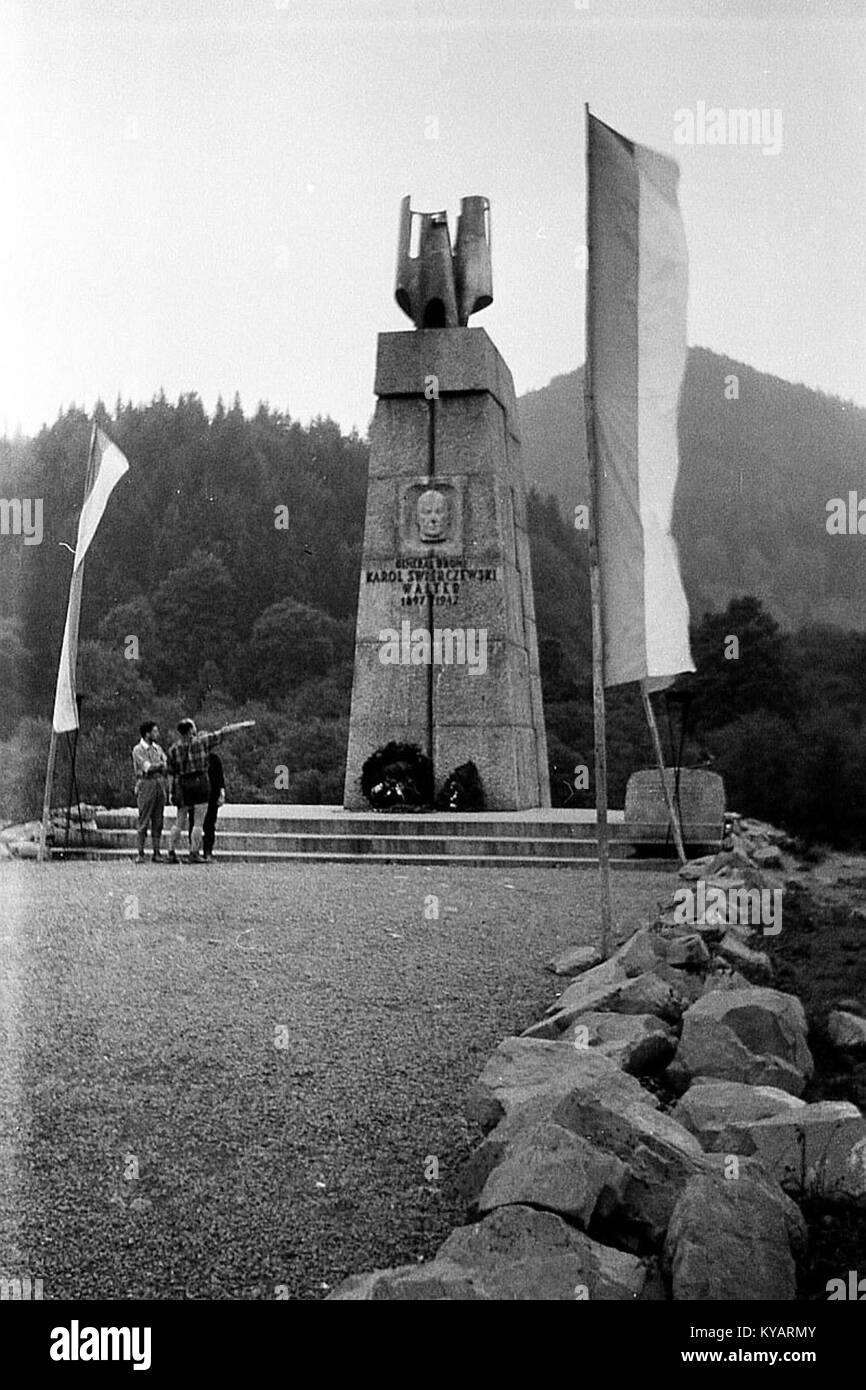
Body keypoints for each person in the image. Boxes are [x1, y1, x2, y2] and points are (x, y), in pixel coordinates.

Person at [166, 718, 253, 864]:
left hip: (182, 783)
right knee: (198, 822)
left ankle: (171, 852)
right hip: (200, 782)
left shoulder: (173, 749)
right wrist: (241, 725)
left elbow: (170, 773)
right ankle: (194, 852)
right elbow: (224, 732)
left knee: (179, 821)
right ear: (191, 730)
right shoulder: (202, 742)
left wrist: (171, 791)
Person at [132, 721, 168, 862]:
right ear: (147, 734)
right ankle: (140, 852)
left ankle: (156, 852)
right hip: (146, 783)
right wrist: (159, 766)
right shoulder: (138, 750)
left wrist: (159, 766)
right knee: (144, 818)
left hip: (159, 783)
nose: (157, 734)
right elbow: (148, 767)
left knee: (158, 819)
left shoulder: (157, 749)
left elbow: (165, 764)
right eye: (154, 732)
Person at [188, 751, 226, 863]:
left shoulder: (214, 758)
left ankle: (208, 851)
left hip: (212, 794)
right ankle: (194, 850)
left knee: (210, 824)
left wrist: (222, 793)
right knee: (194, 823)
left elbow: (220, 777)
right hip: (196, 794)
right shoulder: (192, 756)